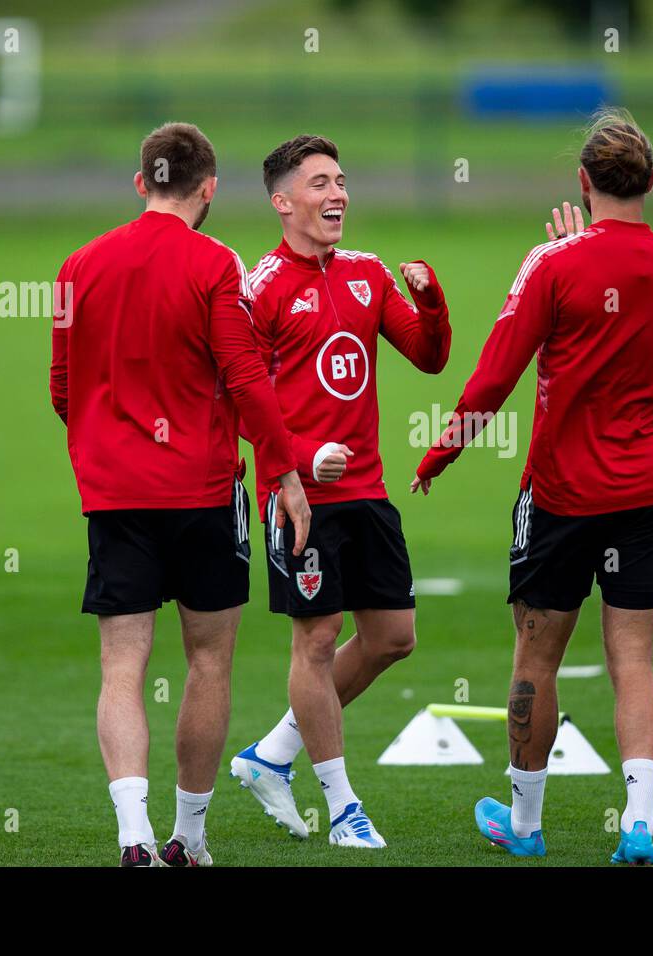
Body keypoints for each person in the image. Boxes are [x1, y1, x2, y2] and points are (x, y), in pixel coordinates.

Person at [413, 109, 653, 864]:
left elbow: (494, 378)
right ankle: (638, 821)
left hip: (563, 494)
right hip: (649, 487)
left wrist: (441, 451)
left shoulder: (553, 266)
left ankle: (527, 824)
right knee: (633, 658)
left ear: (582, 180)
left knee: (535, 659)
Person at [50, 122, 319, 867]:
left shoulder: (77, 266)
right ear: (209, 189)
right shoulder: (216, 265)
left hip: (115, 497)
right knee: (208, 663)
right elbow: (245, 377)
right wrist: (286, 472)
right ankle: (189, 837)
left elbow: (61, 390)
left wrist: (108, 444)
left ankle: (131, 830)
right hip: (202, 494)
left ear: (141, 183)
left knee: (121, 666)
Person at [228, 135, 451, 849]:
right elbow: (239, 400)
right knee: (317, 641)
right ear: (283, 202)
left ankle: (271, 755)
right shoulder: (261, 288)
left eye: (342, 181)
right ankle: (343, 805)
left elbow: (427, 356)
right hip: (298, 499)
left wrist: (432, 302)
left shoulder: (365, 273)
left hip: (367, 492)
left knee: (393, 637)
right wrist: (295, 459)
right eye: (320, 184)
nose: (338, 195)